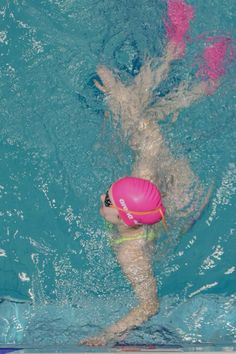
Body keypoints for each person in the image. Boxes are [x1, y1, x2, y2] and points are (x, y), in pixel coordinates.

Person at [80, 0, 230, 346]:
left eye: (108, 198)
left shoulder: (130, 252)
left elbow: (148, 306)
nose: (103, 193)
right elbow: (148, 142)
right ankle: (188, 65)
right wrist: (121, 100)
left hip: (178, 199)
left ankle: (195, 72)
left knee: (138, 115)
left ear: (124, 217)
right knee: (141, 121)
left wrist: (106, 336)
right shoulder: (141, 187)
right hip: (180, 191)